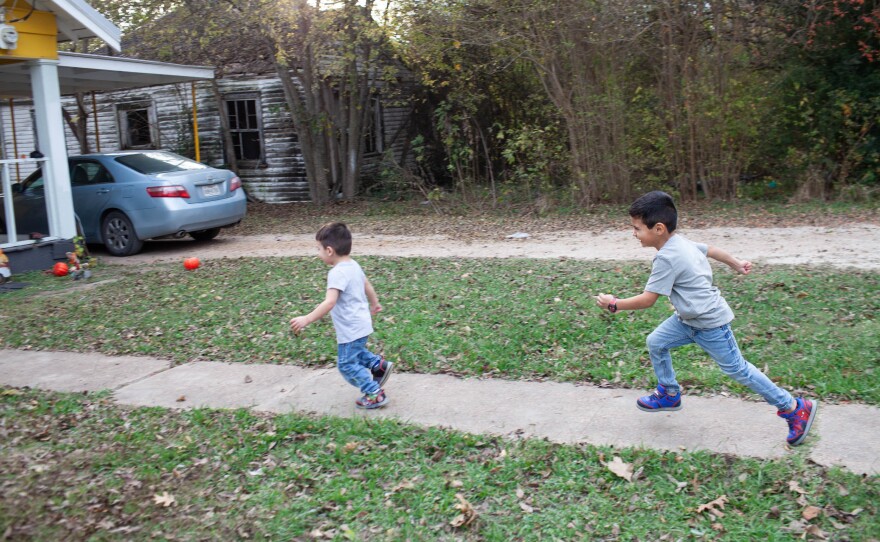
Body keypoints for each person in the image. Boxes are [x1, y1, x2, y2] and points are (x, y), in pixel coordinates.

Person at [595, 191, 817, 446]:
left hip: (711, 324)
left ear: (658, 229)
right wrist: (736, 263)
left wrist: (614, 304)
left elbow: (648, 300)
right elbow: (711, 249)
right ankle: (669, 393)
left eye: (636, 228)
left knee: (738, 369)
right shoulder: (679, 242)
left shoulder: (667, 257)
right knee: (656, 342)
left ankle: (794, 407)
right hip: (687, 321)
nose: (633, 233)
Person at [290, 222, 392, 409]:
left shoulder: (336, 273)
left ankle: (374, 393)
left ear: (329, 250)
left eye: (318, 249)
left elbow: (329, 302)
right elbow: (366, 284)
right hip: (362, 324)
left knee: (346, 364)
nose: (317, 253)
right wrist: (375, 302)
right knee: (358, 352)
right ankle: (379, 365)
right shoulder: (353, 265)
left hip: (350, 328)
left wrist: (307, 319)